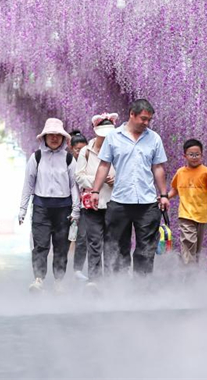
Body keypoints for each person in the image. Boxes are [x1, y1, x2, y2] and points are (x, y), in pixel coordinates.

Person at [90, 99, 168, 275]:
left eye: (149, 120)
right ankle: (119, 287)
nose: (146, 123)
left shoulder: (154, 138)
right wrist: (95, 191)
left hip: (147, 202)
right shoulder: (113, 137)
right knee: (117, 246)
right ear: (132, 114)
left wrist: (163, 195)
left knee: (146, 248)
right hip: (120, 200)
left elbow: (158, 167)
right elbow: (103, 165)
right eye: (143, 118)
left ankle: (141, 288)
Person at [19, 118, 80, 292]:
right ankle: (38, 279)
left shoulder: (68, 159)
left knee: (61, 246)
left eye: (57, 135)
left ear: (62, 138)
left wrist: (76, 209)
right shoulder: (36, 157)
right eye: (50, 135)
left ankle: (59, 281)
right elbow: (28, 184)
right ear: (44, 137)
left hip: (63, 209)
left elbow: (74, 186)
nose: (54, 138)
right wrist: (22, 209)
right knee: (40, 244)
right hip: (41, 207)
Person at [166, 139, 207, 265]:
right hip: (185, 215)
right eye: (191, 155)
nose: (194, 157)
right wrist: (165, 197)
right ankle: (189, 275)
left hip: (203, 216)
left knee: (196, 250)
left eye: (197, 154)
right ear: (185, 156)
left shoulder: (206, 172)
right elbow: (175, 189)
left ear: (202, 155)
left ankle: (193, 276)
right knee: (188, 244)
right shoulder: (180, 172)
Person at [75, 113, 118, 286]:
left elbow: (126, 172)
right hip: (92, 204)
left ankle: (109, 278)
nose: (105, 137)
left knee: (111, 241)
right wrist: (98, 180)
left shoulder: (118, 149)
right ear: (95, 131)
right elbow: (78, 177)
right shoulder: (85, 151)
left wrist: (116, 179)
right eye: (102, 133)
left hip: (113, 201)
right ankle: (94, 279)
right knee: (94, 241)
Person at [68, 130, 90, 280]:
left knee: (84, 236)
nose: (80, 152)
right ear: (71, 149)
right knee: (73, 237)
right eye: (77, 150)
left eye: (83, 149)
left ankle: (80, 269)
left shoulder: (91, 163)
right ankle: (71, 269)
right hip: (70, 205)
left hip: (87, 205)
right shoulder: (68, 163)